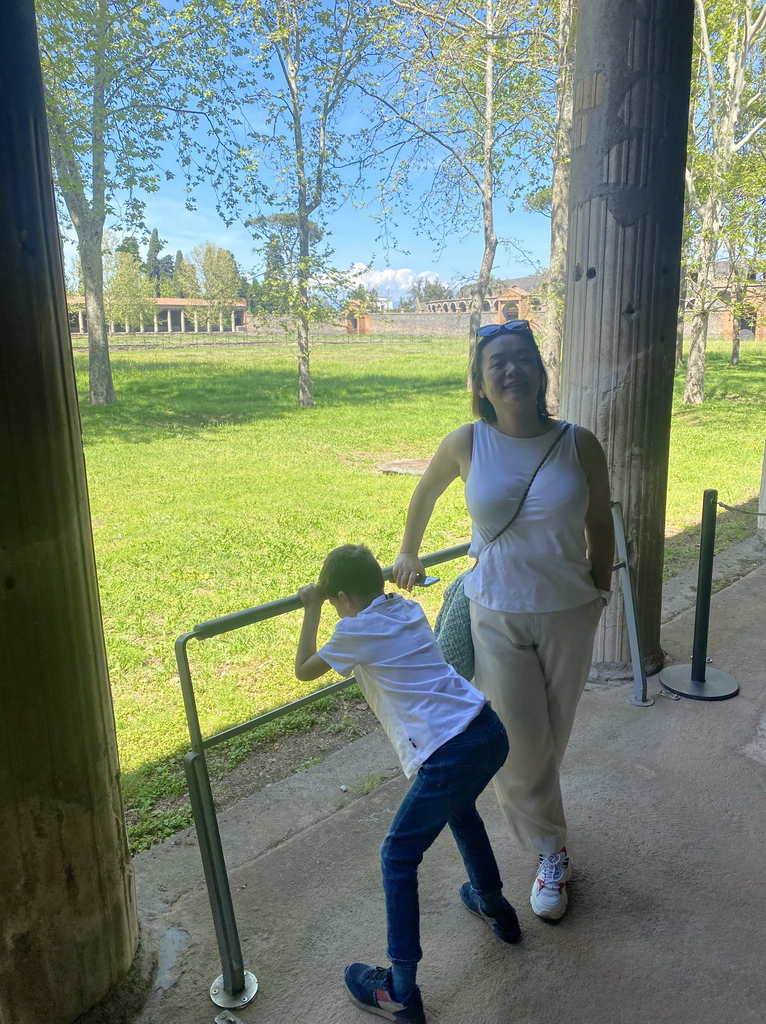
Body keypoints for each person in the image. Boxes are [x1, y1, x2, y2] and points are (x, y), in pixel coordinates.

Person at [393, 319, 614, 922]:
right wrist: (409, 551)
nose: (510, 369)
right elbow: (425, 493)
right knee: (518, 743)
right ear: (481, 382)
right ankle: (551, 852)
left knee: (552, 737)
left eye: (522, 359)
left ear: (542, 372)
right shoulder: (466, 442)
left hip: (570, 610)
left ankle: (544, 829)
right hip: (495, 610)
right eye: (497, 363)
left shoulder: (579, 442)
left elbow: (599, 522)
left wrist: (602, 585)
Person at [295, 543, 519, 1024]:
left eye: (334, 602)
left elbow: (304, 670)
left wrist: (311, 608)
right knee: (461, 811)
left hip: (448, 751)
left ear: (342, 598)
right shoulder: (409, 607)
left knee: (397, 855)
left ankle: (398, 990)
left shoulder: (353, 630)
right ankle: (496, 907)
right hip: (487, 729)